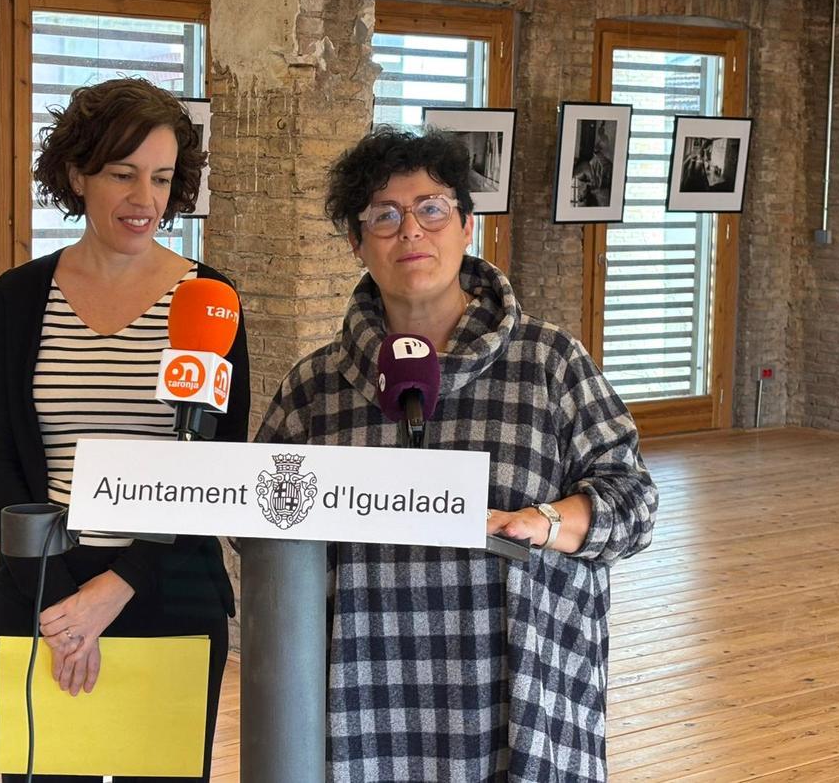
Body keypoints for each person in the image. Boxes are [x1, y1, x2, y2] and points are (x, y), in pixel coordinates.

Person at [257, 127, 657, 782]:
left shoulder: (551, 363)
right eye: (384, 216)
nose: (410, 230)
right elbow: (260, 532)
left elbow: (634, 502)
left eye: (432, 208)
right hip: (363, 703)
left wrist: (547, 522)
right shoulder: (315, 388)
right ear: (356, 244)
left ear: (467, 225)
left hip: (512, 697)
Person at [0, 78, 249, 783]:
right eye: (123, 174)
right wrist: (64, 600)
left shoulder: (210, 301)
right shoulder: (19, 298)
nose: (143, 200)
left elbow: (215, 470)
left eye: (160, 178)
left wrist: (116, 587)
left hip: (169, 586)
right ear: (76, 173)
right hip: (40, 589)